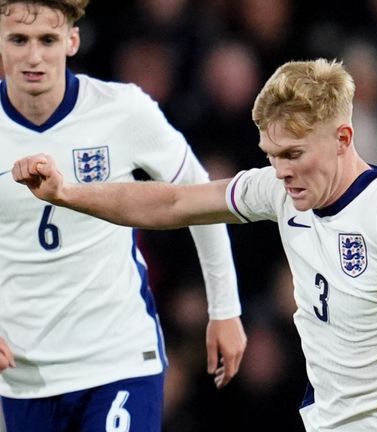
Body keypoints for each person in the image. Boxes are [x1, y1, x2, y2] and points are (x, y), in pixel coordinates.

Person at [13, 58, 377, 431]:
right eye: (271, 154)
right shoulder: (278, 191)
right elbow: (171, 203)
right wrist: (66, 193)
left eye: (293, 153)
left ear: (343, 139)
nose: (281, 170)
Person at [0, 1, 246, 431]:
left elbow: (198, 199)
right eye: (19, 40)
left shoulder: (122, 110)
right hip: (26, 375)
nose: (34, 56)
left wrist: (225, 309)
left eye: (48, 40)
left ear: (72, 41)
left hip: (119, 359)